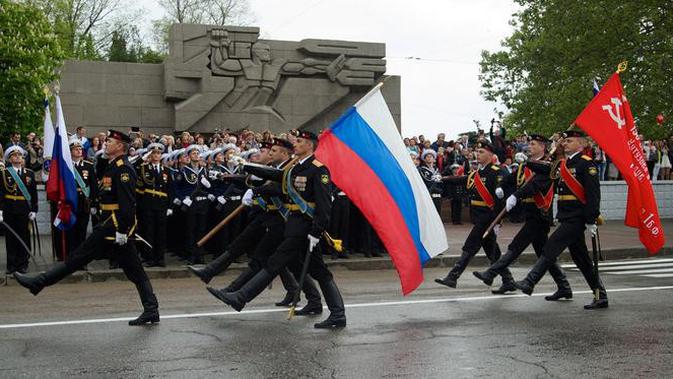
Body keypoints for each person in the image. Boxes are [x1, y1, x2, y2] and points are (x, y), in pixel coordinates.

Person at [14, 130, 161, 325]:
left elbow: (127, 205)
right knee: (135, 270)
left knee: (77, 258)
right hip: (110, 225)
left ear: (120, 146)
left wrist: (121, 231)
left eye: (109, 141)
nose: (105, 144)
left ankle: (38, 283)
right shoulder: (111, 166)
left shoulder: (124, 169)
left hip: (112, 227)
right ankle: (151, 309)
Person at [207, 130, 346, 329]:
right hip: (294, 225)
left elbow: (324, 206)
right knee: (318, 271)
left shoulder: (318, 170)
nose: (295, 144)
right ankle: (330, 310)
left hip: (305, 228)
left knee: (275, 262)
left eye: (299, 141)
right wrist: (246, 166)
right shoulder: (295, 169)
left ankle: (240, 297)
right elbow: (276, 175)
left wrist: (317, 231)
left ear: (310, 145)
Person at [511, 130, 607, 309]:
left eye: (569, 141)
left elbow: (593, 194)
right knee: (582, 259)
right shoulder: (563, 164)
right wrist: (528, 162)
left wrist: (591, 218)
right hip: (566, 215)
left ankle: (530, 281)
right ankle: (600, 295)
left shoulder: (586, 164)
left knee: (551, 246)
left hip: (577, 217)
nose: (565, 144)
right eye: (565, 141)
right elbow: (546, 169)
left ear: (582, 144)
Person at [473, 135, 572, 300]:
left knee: (516, 246)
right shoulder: (525, 166)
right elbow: (508, 178)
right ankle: (564, 287)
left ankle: (491, 273)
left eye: (533, 144)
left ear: (543, 147)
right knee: (545, 254)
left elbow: (535, 186)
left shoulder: (549, 165)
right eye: (529, 144)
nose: (529, 146)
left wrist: (516, 196)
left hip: (540, 214)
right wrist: (501, 187)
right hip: (529, 212)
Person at [435, 141, 514, 291]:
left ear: (491, 155)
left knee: (470, 246)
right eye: (477, 151)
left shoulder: (497, 172)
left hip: (488, 218)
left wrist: (499, 220)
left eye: (482, 152)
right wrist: (443, 179)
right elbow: (461, 179)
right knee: (492, 250)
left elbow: (503, 192)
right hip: (478, 216)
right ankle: (508, 280)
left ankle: (453, 277)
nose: (478, 154)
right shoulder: (475, 174)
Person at [1, 146, 38, 274]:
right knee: (10, 238)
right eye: (14, 155)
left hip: (24, 210)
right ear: (10, 159)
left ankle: (22, 264)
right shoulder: (4, 173)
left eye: (20, 155)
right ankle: (11, 265)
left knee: (23, 236)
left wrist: (34, 210)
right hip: (9, 209)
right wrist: (0, 210)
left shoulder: (29, 173)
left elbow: (33, 194)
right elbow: (1, 193)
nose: (17, 157)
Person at [137, 142, 172, 267]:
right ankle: (149, 258)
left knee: (161, 232)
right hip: (148, 204)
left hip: (162, 204)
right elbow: (140, 188)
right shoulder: (143, 169)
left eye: (158, 153)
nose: (156, 155)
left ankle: (160, 258)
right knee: (148, 232)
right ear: (150, 155)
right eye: (154, 153)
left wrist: (170, 207)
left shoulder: (166, 171)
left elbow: (170, 189)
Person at [66, 141, 98, 257]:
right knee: (71, 230)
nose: (79, 151)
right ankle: (71, 256)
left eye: (80, 149)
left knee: (82, 230)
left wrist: (94, 204)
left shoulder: (88, 166)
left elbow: (94, 186)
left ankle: (81, 257)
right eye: (76, 149)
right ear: (70, 152)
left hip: (84, 202)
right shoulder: (66, 166)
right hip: (70, 202)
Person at [418, 149, 443, 214]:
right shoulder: (422, 169)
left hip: (438, 195)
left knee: (438, 213)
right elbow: (427, 181)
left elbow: (440, 181)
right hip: (428, 194)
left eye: (431, 157)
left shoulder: (437, 170)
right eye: (427, 157)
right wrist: (435, 180)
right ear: (424, 159)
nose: (429, 158)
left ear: (434, 159)